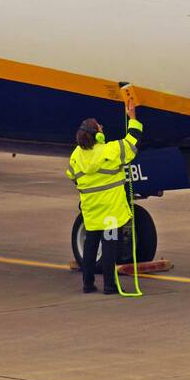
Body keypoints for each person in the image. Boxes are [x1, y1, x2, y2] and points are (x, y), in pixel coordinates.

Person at [66, 95, 142, 294]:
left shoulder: (76, 156)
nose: (103, 128)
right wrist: (132, 117)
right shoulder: (110, 150)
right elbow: (133, 141)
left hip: (91, 210)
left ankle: (87, 284)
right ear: (97, 135)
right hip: (110, 211)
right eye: (100, 127)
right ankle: (109, 285)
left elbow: (72, 176)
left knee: (91, 247)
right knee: (109, 247)